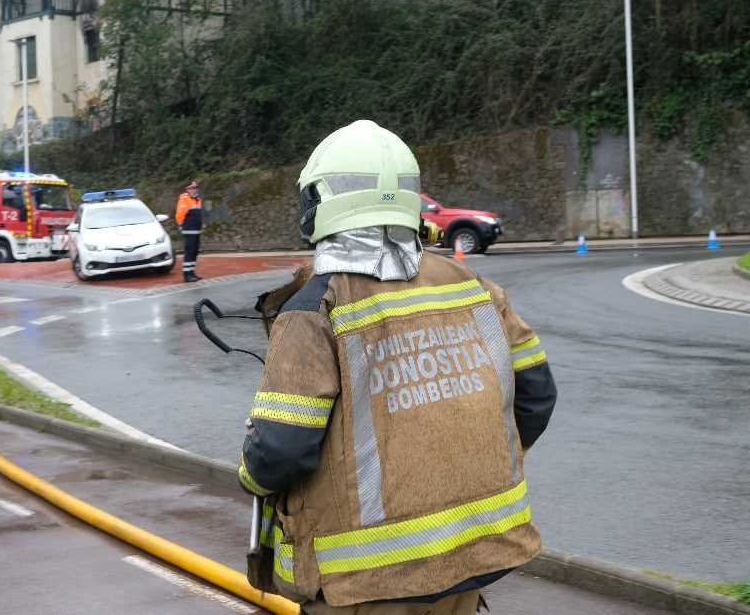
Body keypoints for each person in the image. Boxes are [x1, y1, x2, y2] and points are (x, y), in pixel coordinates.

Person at [238, 120, 557, 614]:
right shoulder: (475, 288)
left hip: (364, 584)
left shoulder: (316, 308)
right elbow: (535, 397)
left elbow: (280, 450)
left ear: (317, 205)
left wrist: (250, 476)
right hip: (468, 563)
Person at [175, 181, 204, 282]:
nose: (195, 189)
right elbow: (179, 214)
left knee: (195, 252)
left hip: (196, 230)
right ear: (188, 189)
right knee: (189, 252)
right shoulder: (185, 199)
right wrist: (180, 225)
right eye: (192, 188)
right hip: (189, 230)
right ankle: (187, 274)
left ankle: (192, 272)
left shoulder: (198, 199)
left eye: (196, 188)